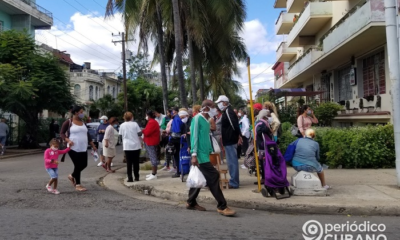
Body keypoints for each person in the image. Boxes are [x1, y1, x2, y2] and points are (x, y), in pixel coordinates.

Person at [187, 99, 236, 216]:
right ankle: (222, 206)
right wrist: (194, 155)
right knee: (213, 176)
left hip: (205, 154)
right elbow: (194, 137)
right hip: (199, 155)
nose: (216, 109)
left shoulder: (206, 120)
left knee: (201, 178)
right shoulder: (197, 119)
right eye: (213, 107)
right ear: (207, 108)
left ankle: (191, 202)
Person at [60, 106, 97, 192]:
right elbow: (61, 133)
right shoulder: (68, 122)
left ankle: (72, 176)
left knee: (84, 164)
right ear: (76, 112)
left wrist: (92, 145)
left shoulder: (83, 122)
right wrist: (67, 140)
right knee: (78, 165)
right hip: (72, 148)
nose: (82, 113)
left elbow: (87, 135)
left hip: (83, 147)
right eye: (81, 112)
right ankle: (78, 185)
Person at [216, 95, 242, 189]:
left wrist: (239, 136)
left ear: (225, 102)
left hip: (230, 140)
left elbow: (235, 125)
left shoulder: (228, 112)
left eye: (219, 102)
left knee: (232, 162)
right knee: (231, 161)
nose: (218, 105)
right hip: (229, 140)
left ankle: (234, 182)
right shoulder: (227, 112)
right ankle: (234, 181)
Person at [119, 112, 142, 182]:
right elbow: (139, 133)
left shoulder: (122, 125)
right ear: (131, 117)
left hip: (127, 146)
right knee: (136, 162)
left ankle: (130, 178)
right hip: (136, 145)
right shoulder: (135, 124)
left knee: (129, 163)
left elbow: (120, 135)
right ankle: (137, 176)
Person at [255, 109, 274, 185]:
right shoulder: (261, 123)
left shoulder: (264, 123)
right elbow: (260, 131)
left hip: (263, 145)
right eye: (269, 115)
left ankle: (265, 177)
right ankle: (264, 178)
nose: (270, 117)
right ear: (264, 116)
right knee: (264, 163)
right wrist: (267, 130)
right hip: (263, 146)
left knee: (264, 162)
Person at [142, 110, 161, 181]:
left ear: (148, 115)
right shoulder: (152, 122)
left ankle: (154, 174)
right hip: (150, 141)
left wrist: (142, 130)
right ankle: (153, 173)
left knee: (153, 157)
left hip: (151, 142)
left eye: (146, 115)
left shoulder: (152, 122)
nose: (146, 117)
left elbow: (147, 132)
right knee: (152, 156)